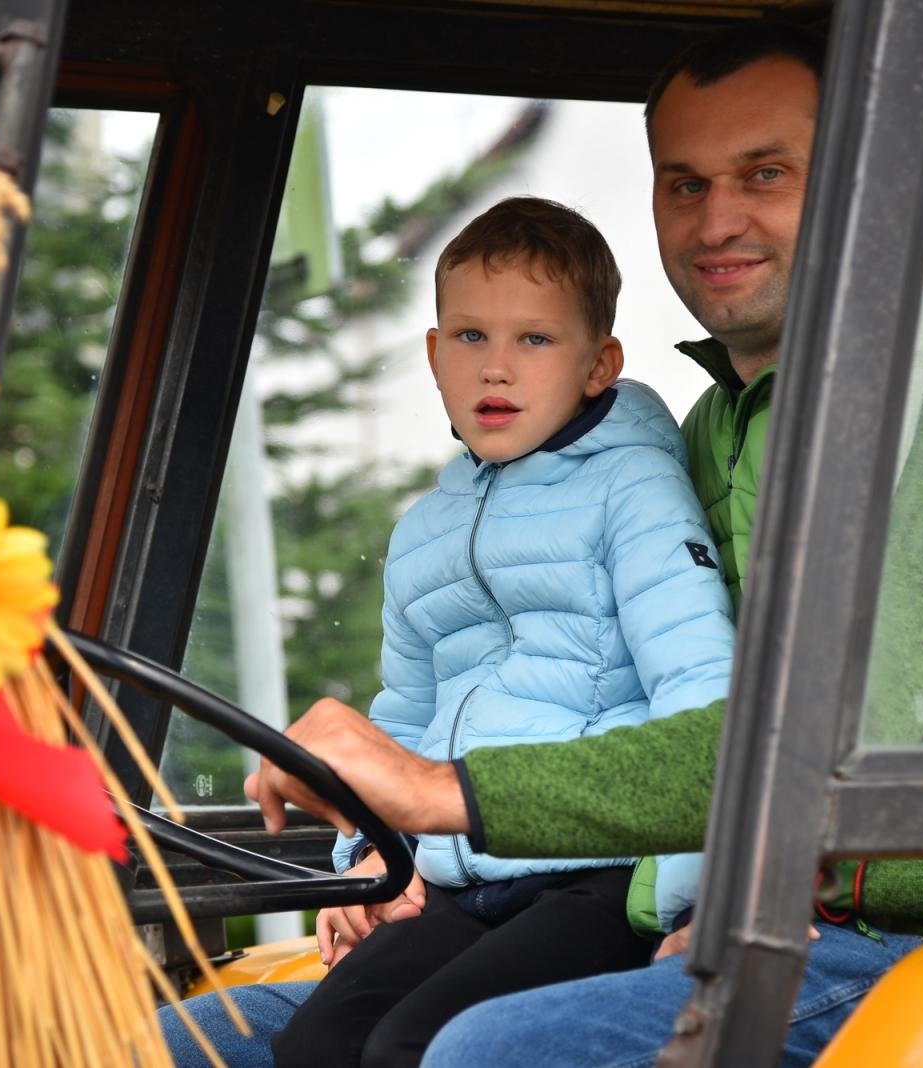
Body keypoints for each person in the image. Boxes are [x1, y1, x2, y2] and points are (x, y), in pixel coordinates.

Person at [211, 22, 923, 1067]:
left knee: (477, 1054)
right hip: (699, 896)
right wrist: (395, 861)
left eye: (766, 173)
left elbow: (810, 742)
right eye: (685, 184)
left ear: (869, 181)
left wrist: (439, 792)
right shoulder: (704, 431)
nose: (717, 220)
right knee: (176, 1041)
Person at [164, 196, 736, 1068]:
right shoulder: (425, 530)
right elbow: (405, 718)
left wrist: (694, 906)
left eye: (534, 339)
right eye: (470, 337)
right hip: (461, 879)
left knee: (414, 1046)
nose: (495, 368)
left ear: (599, 364)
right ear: (434, 355)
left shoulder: (636, 492)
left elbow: (702, 693)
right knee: (316, 1043)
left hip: (597, 874)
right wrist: (373, 856)